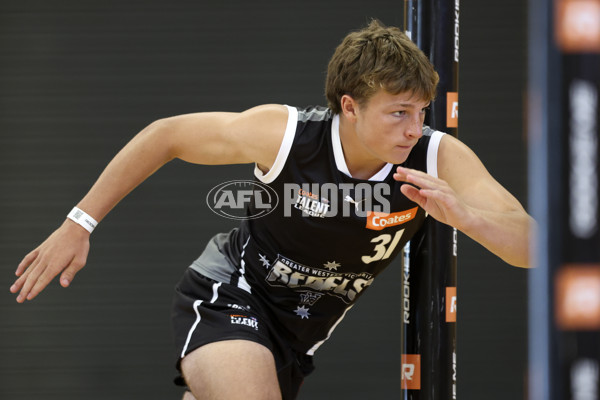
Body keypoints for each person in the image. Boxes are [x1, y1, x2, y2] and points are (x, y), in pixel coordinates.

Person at [10, 20, 532, 400]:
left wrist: (466, 216)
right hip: (232, 296)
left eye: (420, 112)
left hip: (300, 333)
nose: (413, 128)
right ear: (349, 106)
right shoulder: (285, 136)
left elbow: (532, 246)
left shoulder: (438, 156)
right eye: (398, 113)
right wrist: (78, 224)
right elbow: (165, 135)